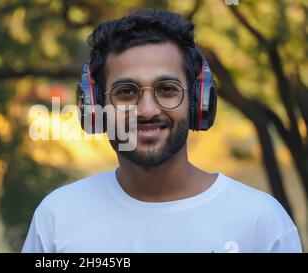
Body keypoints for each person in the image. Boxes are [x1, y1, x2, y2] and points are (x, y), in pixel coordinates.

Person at [21, 9, 302, 253]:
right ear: (96, 106)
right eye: (126, 92)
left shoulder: (261, 223)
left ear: (197, 101)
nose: (146, 110)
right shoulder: (58, 217)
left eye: (167, 90)